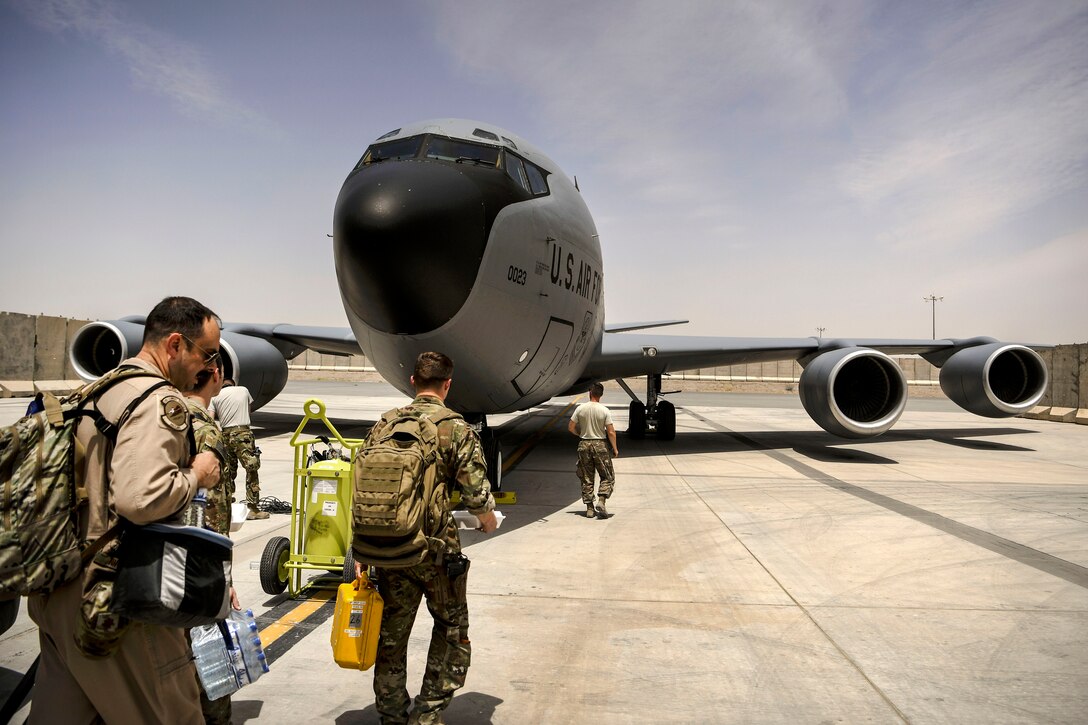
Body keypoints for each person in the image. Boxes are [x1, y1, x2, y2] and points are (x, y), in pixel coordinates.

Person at [27, 296, 223, 724]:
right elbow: (141, 500)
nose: (208, 368)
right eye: (206, 354)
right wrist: (198, 474)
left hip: (59, 587)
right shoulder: (157, 402)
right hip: (115, 596)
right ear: (174, 345)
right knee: (173, 713)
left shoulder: (98, 389)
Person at [357, 351, 498, 725]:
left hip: (391, 548)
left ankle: (391, 713)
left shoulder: (384, 425)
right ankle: (428, 713)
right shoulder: (456, 429)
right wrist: (487, 521)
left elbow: (364, 487)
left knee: (392, 635)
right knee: (452, 629)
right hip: (437, 553)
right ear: (447, 385)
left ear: (413, 383)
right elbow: (477, 495)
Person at [183, 358, 240, 725]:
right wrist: (225, 579)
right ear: (215, 376)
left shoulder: (161, 417)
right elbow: (214, 516)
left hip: (154, 560)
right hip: (195, 567)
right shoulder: (205, 430)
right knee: (210, 655)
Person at [211, 378, 269, 520]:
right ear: (233, 384)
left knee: (228, 471)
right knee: (251, 469)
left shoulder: (215, 397)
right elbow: (249, 411)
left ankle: (227, 504)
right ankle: (253, 508)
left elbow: (211, 419)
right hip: (243, 434)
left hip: (225, 435)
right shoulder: (243, 390)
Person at [568, 382, 618, 518]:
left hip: (584, 445)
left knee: (586, 477)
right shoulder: (604, 410)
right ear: (601, 395)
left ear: (590, 392)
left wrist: (580, 434)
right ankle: (602, 500)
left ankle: (589, 508)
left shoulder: (580, 409)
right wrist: (615, 448)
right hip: (600, 444)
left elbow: (571, 427)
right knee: (607, 475)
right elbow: (611, 432)